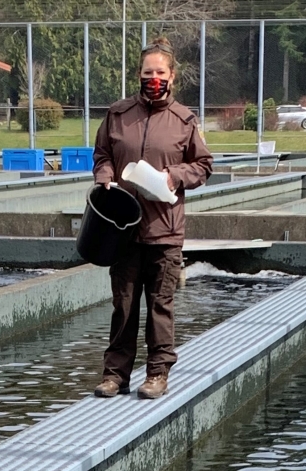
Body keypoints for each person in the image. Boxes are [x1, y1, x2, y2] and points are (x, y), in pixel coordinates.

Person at [93, 37, 213, 400]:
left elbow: (203, 165)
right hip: (124, 229)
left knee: (161, 305)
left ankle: (158, 373)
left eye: (160, 72)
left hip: (165, 230)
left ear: (172, 76)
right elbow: (102, 155)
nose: (154, 78)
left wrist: (173, 176)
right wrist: (104, 177)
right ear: (139, 75)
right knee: (124, 305)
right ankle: (116, 375)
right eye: (148, 72)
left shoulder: (184, 120)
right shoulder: (117, 115)